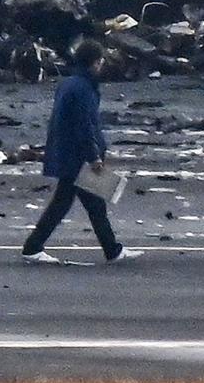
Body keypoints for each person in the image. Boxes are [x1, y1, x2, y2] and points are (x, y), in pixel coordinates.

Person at [21, 39, 142, 265]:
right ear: (94, 62)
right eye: (100, 61)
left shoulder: (69, 83)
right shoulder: (84, 88)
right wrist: (94, 156)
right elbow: (84, 125)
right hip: (77, 156)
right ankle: (34, 247)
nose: (102, 65)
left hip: (66, 152)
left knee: (76, 204)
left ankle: (111, 249)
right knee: (84, 205)